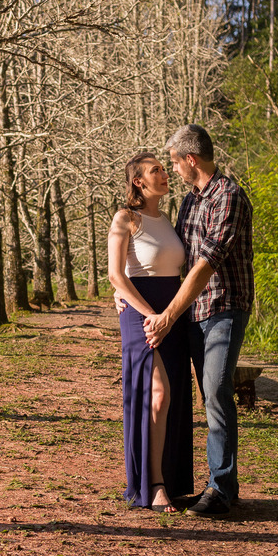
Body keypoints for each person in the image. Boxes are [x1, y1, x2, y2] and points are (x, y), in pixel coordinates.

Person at [141, 124, 254, 517]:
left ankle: (221, 489)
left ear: (190, 159)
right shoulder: (190, 201)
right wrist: (125, 286)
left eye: (174, 162)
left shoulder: (229, 196)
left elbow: (205, 265)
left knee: (217, 390)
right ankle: (215, 486)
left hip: (224, 308)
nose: (172, 169)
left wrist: (168, 315)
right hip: (191, 311)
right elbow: (173, 256)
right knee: (203, 396)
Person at [107, 152, 193, 513]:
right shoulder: (125, 218)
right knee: (157, 395)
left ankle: (171, 480)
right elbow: (116, 275)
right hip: (142, 316)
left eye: (163, 168)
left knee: (172, 399)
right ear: (138, 182)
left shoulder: (170, 220)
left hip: (173, 315)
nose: (164, 173)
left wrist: (169, 317)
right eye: (155, 170)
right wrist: (152, 316)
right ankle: (153, 484)